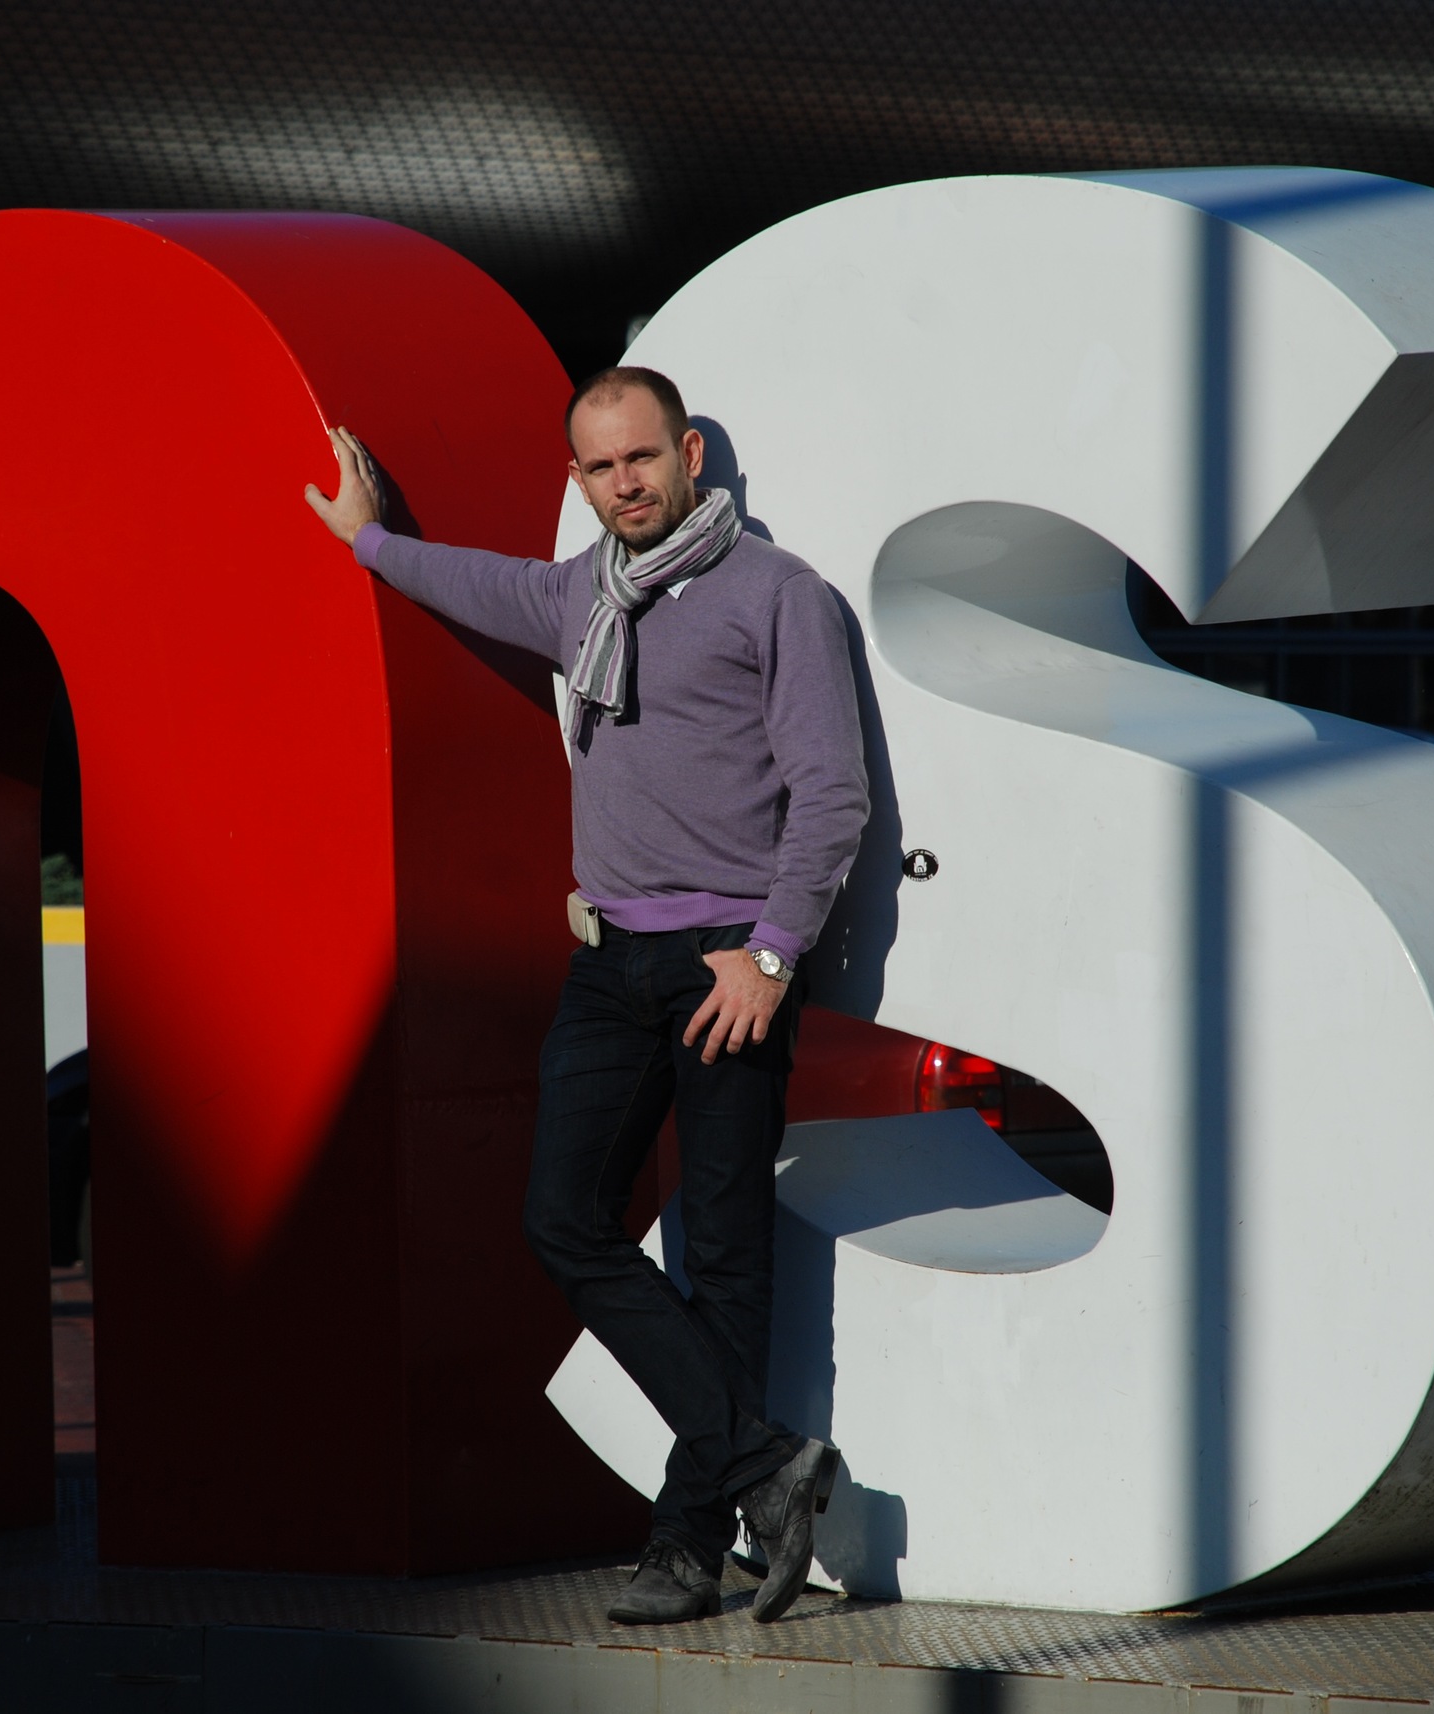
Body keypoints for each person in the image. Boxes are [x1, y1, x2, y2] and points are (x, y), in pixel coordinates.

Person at [303, 367, 870, 1627]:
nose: (625, 483)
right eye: (602, 467)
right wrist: (370, 540)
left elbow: (832, 791)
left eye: (642, 458)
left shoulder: (779, 595)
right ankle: (765, 1464)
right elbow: (472, 584)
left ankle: (686, 1547)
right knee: (561, 1219)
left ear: (690, 452)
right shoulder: (582, 596)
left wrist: (772, 954)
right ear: (579, 479)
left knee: (725, 1260)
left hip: (728, 965)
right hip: (612, 965)